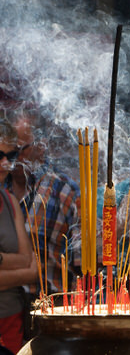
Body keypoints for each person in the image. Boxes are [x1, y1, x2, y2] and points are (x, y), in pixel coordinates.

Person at [4, 108, 78, 298]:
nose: (15, 160)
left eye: (22, 150)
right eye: (11, 152)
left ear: (41, 145)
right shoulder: (3, 192)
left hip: (51, 306)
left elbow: (87, 264)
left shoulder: (63, 191)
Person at [0, 117, 40, 355]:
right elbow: (25, 265)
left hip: (12, 324)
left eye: (10, 156)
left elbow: (32, 267)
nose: (6, 163)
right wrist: (18, 268)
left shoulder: (11, 202)